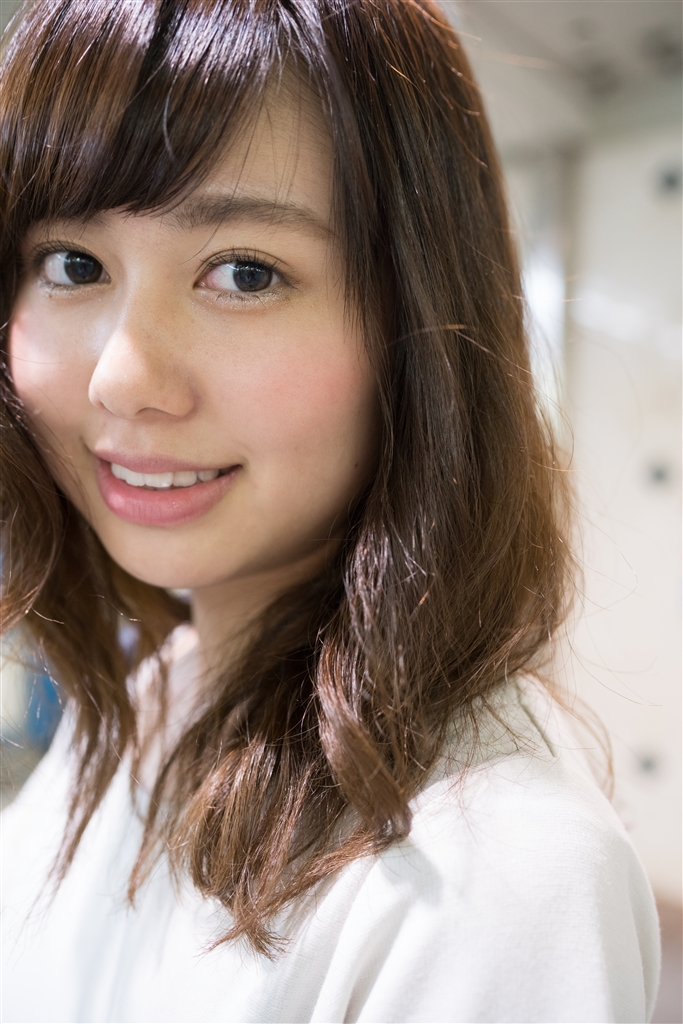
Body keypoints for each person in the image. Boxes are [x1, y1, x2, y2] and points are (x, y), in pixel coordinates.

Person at [0, 1, 660, 1021]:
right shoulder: (160, 693)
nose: (122, 379)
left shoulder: (498, 878)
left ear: (418, 326)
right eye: (72, 265)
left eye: (244, 273)